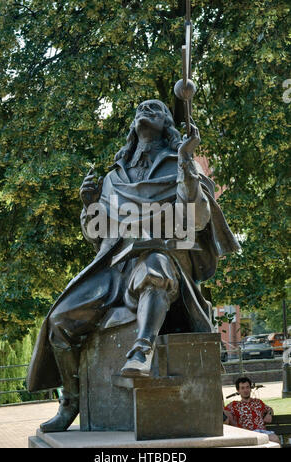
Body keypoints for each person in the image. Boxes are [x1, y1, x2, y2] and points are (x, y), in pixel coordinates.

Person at [27, 99, 240, 432]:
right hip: (115, 268)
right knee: (59, 320)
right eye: (141, 109)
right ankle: (71, 403)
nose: (145, 111)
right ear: (133, 126)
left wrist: (187, 162)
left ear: (167, 124)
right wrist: (90, 207)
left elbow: (197, 218)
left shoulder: (178, 166)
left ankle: (141, 351)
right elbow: (101, 236)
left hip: (161, 256)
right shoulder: (114, 177)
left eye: (154, 108)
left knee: (155, 270)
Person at [224, 377, 280, 445]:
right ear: (238, 391)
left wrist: (269, 414)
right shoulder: (234, 405)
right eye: (242, 388)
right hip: (247, 434)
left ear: (250, 389)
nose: (245, 390)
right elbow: (223, 412)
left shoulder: (258, 402)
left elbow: (270, 409)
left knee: (275, 439)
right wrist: (231, 421)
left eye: (247, 387)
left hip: (262, 433)